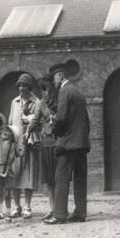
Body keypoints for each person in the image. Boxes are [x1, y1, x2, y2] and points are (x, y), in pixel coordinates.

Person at [43, 63, 91, 225]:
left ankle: (60, 215)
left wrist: (53, 124)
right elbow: (84, 119)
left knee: (61, 177)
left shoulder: (65, 91)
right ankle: (80, 213)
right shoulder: (78, 91)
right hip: (82, 143)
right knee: (80, 178)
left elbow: (62, 118)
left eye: (55, 79)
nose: (54, 83)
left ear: (61, 76)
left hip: (69, 143)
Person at [25, 75, 59, 221]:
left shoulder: (59, 101)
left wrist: (47, 109)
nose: (44, 93)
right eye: (42, 90)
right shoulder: (42, 103)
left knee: (59, 179)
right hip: (46, 143)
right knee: (50, 180)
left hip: (58, 144)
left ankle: (60, 209)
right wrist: (27, 132)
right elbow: (35, 120)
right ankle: (52, 208)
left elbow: (56, 118)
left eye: (46, 89)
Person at [8, 73, 40, 219]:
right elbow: (10, 123)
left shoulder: (36, 102)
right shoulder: (14, 102)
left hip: (30, 144)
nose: (21, 88)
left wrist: (30, 123)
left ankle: (27, 206)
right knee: (14, 175)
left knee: (28, 176)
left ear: (29, 87)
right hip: (15, 145)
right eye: (19, 86)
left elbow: (39, 124)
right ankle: (17, 206)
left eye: (24, 86)